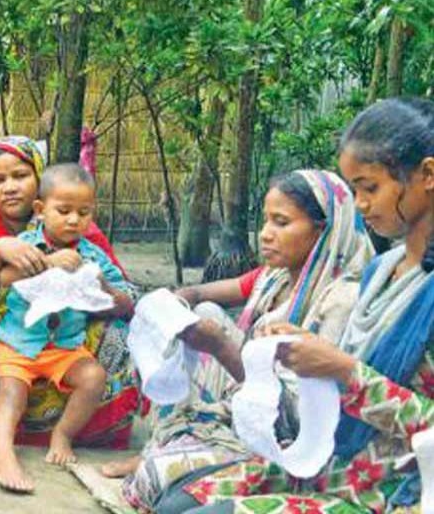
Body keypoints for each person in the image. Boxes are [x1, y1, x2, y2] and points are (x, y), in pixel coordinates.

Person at [154, 97, 433, 514]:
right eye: (354, 188)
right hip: (334, 462)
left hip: (393, 490)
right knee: (177, 500)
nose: (359, 203)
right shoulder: (381, 272)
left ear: (427, 174)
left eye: (371, 187)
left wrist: (342, 370)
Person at [106, 170, 373, 510]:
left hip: (280, 437)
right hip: (240, 407)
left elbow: (298, 416)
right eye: (265, 221)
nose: (265, 234)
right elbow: (202, 291)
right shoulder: (274, 278)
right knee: (204, 311)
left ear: (323, 232)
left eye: (281, 223)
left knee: (159, 483)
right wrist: (174, 301)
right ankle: (168, 442)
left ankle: (179, 449)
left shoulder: (341, 301)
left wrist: (220, 346)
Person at [0, 136, 146, 450]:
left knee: (121, 331)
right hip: (13, 332)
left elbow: (125, 298)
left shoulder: (75, 222)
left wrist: (95, 287)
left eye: (21, 176)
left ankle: (89, 422)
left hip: (69, 337)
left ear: (39, 180)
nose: (10, 187)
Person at [0, 164, 134, 493]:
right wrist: (45, 265)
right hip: (19, 343)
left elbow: (127, 299)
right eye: (64, 211)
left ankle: (63, 435)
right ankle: (2, 455)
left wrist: (100, 285)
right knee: (10, 394)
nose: (73, 220)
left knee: (93, 377)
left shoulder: (93, 254)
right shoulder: (24, 245)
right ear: (40, 211)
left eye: (84, 213)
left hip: (66, 346)